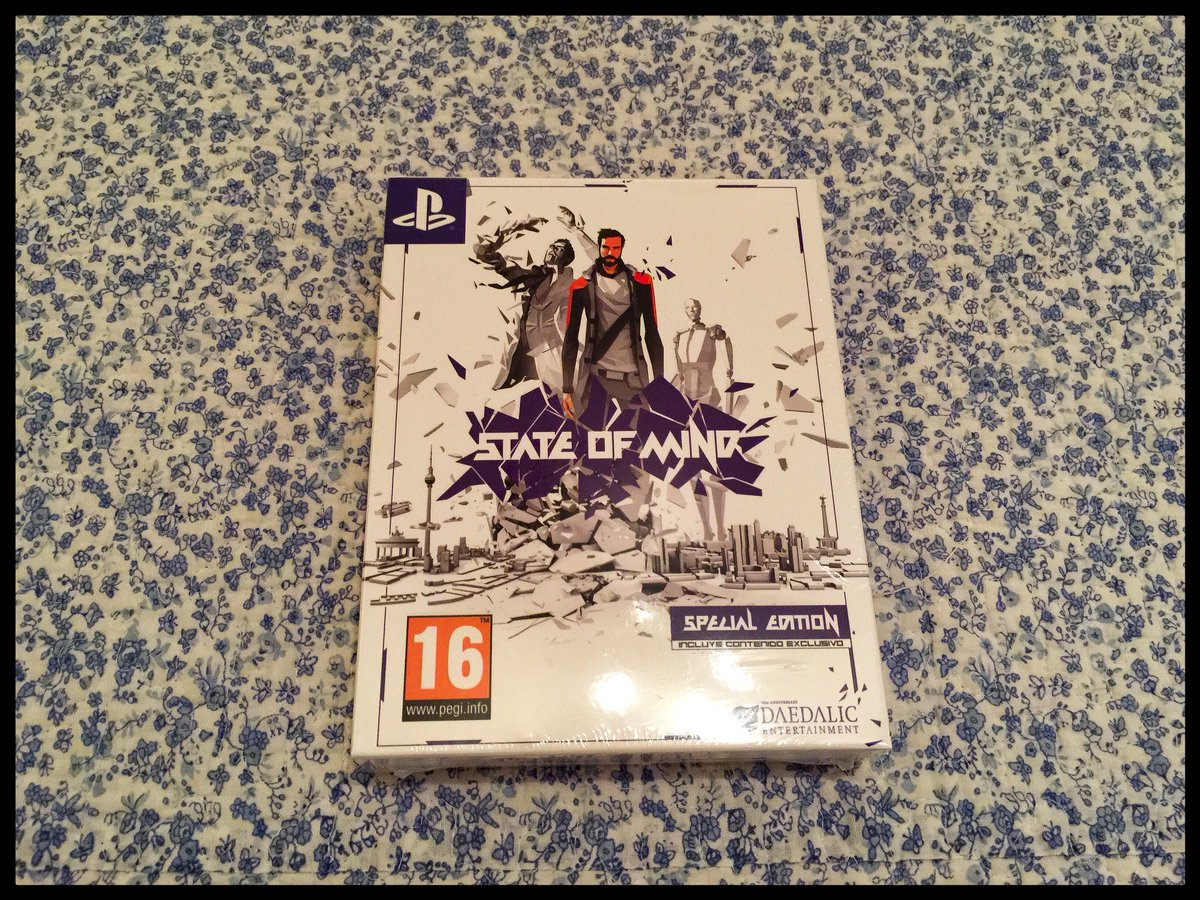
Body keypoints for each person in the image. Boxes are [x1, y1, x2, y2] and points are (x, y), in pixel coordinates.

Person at [472, 208, 597, 394]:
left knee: (578, 394)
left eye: (559, 248)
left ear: (567, 258)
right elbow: (496, 262)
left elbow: (601, 262)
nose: (552, 249)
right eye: (552, 246)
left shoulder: (574, 282)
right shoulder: (533, 277)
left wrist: (576, 231)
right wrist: (493, 245)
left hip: (559, 350)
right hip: (532, 352)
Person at [561, 227, 664, 418]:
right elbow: (571, 338)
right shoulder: (581, 285)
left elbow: (652, 334)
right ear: (599, 248)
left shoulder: (642, 283)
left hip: (632, 380)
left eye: (616, 248)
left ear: (622, 249)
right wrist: (567, 388)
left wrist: (659, 383)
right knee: (588, 435)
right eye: (606, 248)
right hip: (595, 379)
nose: (610, 253)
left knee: (641, 434)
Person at [673, 299, 735, 542]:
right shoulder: (679, 337)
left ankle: (720, 527)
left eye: (696, 307)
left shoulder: (711, 332)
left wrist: (730, 367)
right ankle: (707, 528)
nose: (693, 311)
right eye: (689, 307)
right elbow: (679, 372)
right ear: (684, 311)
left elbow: (726, 346)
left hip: (708, 398)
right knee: (692, 467)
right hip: (686, 402)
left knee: (716, 465)